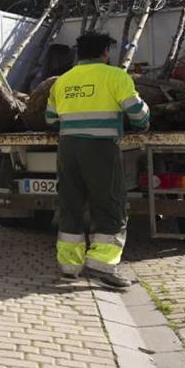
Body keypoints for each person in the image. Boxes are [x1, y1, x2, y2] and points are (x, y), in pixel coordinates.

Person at [45, 32, 149, 289]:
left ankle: (70, 266)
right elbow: (136, 112)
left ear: (79, 54)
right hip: (100, 150)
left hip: (67, 150)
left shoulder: (62, 81)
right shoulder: (115, 76)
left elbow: (49, 118)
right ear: (105, 53)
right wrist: (144, 119)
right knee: (110, 205)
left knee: (70, 206)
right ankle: (102, 266)